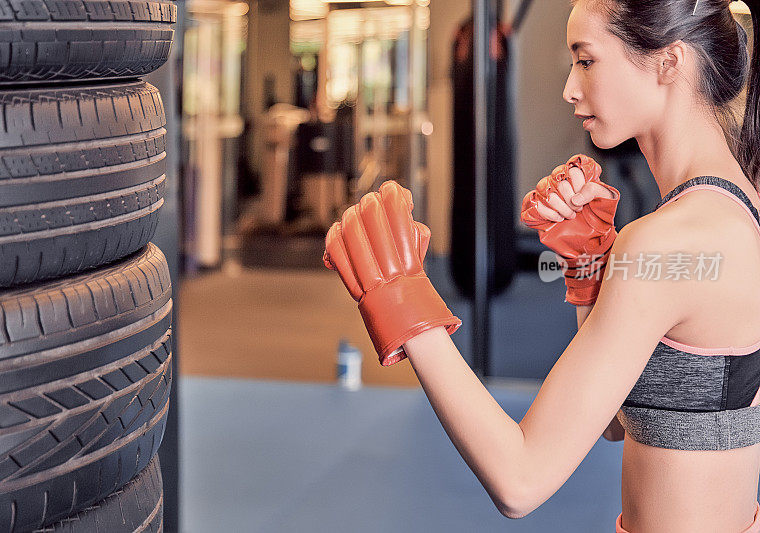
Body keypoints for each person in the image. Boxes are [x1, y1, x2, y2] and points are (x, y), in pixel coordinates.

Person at [323, 0, 760, 530]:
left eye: (587, 60)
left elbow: (520, 480)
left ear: (669, 62)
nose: (570, 88)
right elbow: (618, 421)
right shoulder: (739, 207)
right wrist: (589, 265)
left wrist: (404, 303)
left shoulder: (665, 243)